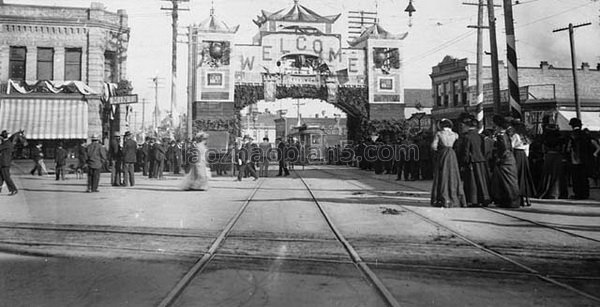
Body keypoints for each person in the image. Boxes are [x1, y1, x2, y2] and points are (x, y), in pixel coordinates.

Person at [430, 119, 466, 208]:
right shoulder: (455, 134)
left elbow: (433, 146)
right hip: (452, 155)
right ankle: (455, 198)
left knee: (442, 175)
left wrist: (438, 151)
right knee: (453, 175)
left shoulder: (439, 134)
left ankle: (443, 199)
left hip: (443, 154)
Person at [457, 116, 491, 207]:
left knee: (472, 181)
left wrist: (464, 162)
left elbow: (466, 151)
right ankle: (484, 198)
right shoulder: (481, 136)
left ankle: (473, 200)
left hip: (471, 161)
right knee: (481, 180)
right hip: (481, 161)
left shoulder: (467, 137)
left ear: (467, 126)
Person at [490, 115, 520, 208]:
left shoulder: (501, 136)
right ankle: (511, 200)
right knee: (510, 181)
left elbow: (504, 149)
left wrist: (499, 158)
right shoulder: (507, 134)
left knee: (508, 181)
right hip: (510, 159)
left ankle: (510, 201)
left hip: (505, 161)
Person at [509, 119, 536, 206]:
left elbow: (511, 146)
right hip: (524, 156)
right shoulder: (525, 136)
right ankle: (527, 198)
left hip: (516, 154)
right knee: (524, 176)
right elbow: (527, 149)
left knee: (517, 175)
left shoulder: (515, 135)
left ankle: (519, 198)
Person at [566, 118, 593, 199]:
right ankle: (585, 194)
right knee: (584, 178)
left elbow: (568, 148)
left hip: (574, 160)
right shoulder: (586, 134)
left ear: (572, 125)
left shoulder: (571, 135)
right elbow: (590, 147)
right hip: (585, 159)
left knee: (576, 178)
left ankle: (578, 194)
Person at [0, 130, 18, 195]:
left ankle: (13, 189)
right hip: (4, 162)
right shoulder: (7, 143)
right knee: (1, 177)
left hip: (4, 163)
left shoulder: (6, 143)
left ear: (2, 137)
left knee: (6, 177)